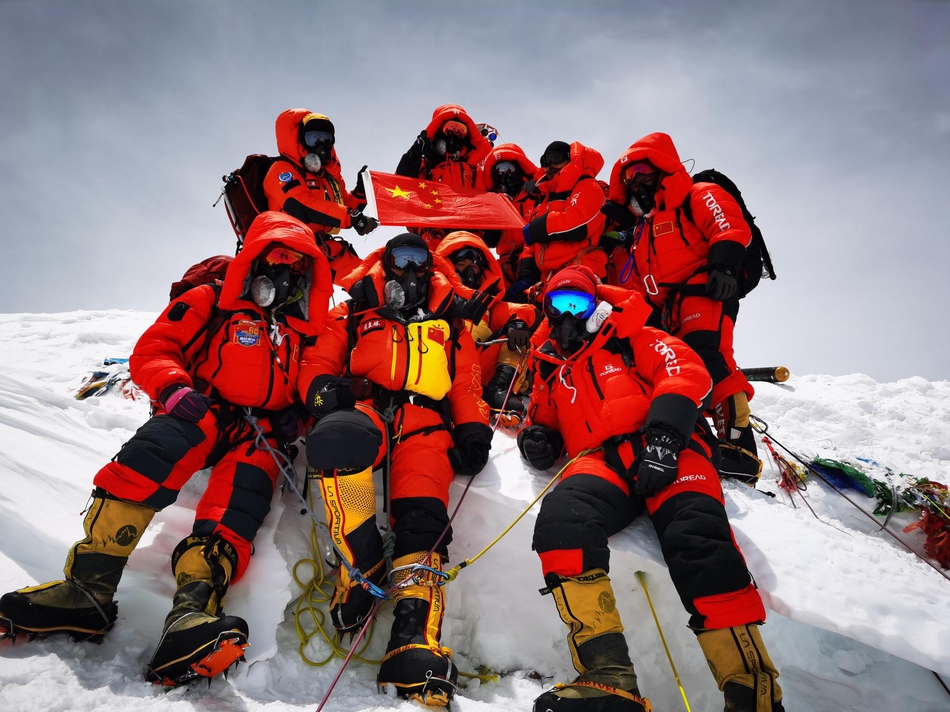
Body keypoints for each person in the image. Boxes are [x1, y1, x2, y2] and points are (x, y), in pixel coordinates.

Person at [0, 212, 334, 687]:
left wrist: (295, 417)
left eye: (299, 265)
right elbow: (155, 348)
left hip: (258, 435)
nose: (286, 271)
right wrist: (176, 390)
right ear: (254, 259)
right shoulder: (213, 300)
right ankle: (86, 590)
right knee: (152, 458)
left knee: (235, 513)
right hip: (199, 408)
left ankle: (191, 617)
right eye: (277, 256)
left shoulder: (304, 333)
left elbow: (308, 389)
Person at [517, 266, 784, 712]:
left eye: (576, 305)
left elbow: (685, 372)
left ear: (596, 306)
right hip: (602, 460)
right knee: (564, 521)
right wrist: (538, 440)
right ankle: (607, 676)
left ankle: (751, 694)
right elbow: (543, 420)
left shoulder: (633, 334)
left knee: (696, 536)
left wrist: (665, 435)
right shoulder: (550, 367)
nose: (566, 316)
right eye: (556, 306)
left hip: (671, 447)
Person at [301, 233, 493, 707]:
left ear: (430, 268)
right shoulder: (355, 309)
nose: (410, 270)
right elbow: (317, 362)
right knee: (335, 440)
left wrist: (473, 429)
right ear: (384, 264)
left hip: (426, 421)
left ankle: (413, 638)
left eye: (419, 261)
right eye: (400, 260)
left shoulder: (451, 321)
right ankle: (363, 563)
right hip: (368, 406)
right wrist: (326, 391)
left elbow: (466, 384)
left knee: (423, 517)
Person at [601, 132, 760, 481]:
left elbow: (728, 224)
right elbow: (638, 278)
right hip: (667, 308)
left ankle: (741, 450)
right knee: (680, 369)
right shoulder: (644, 227)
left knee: (709, 357)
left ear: (662, 167)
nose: (636, 180)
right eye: (628, 177)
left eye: (642, 169)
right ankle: (699, 438)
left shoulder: (698, 194)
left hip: (706, 288)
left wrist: (725, 265)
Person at [263, 108, 378, 285]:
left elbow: (343, 207)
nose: (321, 145)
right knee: (301, 306)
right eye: (313, 138)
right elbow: (301, 206)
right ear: (298, 139)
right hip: (288, 251)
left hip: (323, 247)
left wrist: (361, 193)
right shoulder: (281, 170)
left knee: (372, 283)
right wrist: (351, 217)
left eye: (326, 139)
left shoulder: (327, 178)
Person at [434, 231, 539, 420]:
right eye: (461, 265)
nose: (468, 271)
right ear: (448, 266)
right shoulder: (434, 295)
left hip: (478, 369)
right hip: (441, 368)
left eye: (473, 266)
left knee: (517, 331)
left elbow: (525, 310)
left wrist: (518, 321)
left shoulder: (489, 304)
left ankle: (499, 390)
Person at [511, 141, 608, 301]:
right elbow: (531, 246)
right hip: (547, 279)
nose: (550, 166)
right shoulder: (544, 200)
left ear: (570, 159)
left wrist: (537, 228)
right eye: (545, 161)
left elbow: (578, 224)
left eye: (556, 158)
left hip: (581, 271)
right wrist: (526, 275)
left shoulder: (588, 186)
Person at [394, 104, 493, 247]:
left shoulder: (474, 169)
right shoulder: (425, 164)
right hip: (432, 229)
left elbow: (485, 199)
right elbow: (401, 183)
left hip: (467, 233)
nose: (454, 134)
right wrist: (413, 154)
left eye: (460, 131)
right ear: (439, 130)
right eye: (449, 129)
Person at [476, 143, 541, 289]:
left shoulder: (537, 195)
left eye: (509, 169)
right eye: (500, 171)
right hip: (506, 268)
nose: (505, 175)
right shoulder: (494, 202)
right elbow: (488, 241)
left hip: (536, 262)